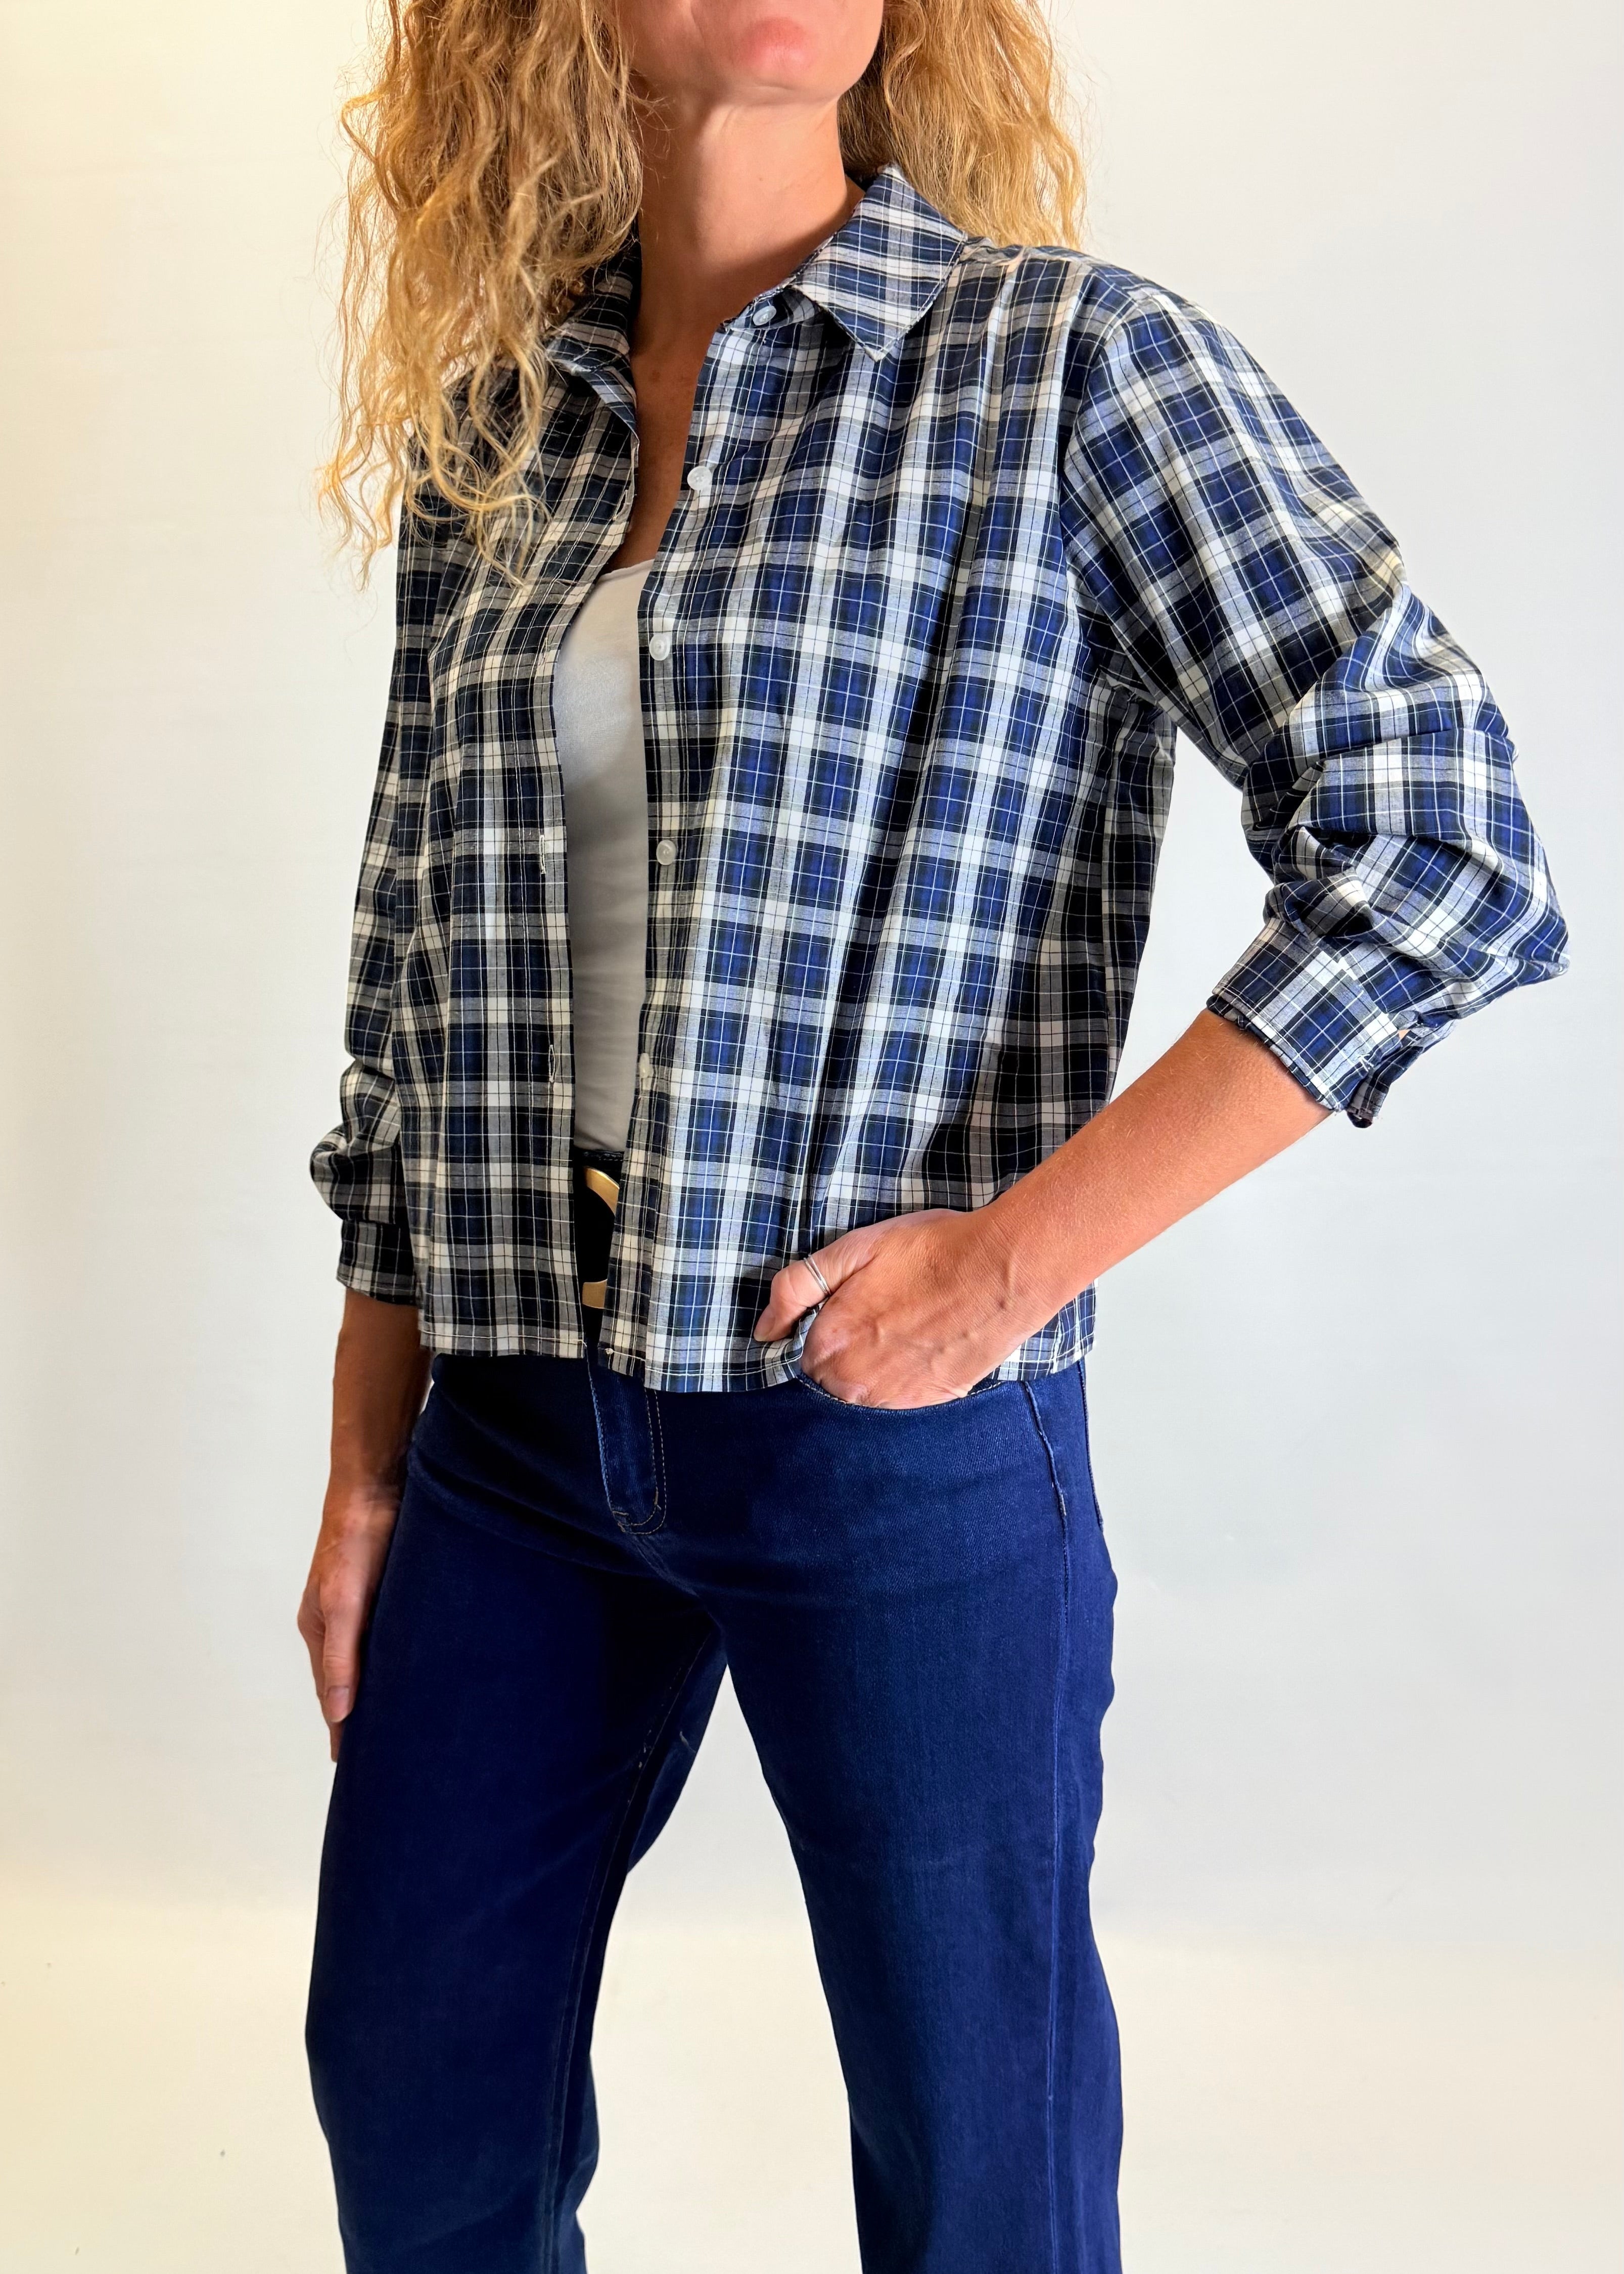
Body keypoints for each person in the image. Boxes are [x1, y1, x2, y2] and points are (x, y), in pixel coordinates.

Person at [298, 3, 1567, 2268]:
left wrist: (1012, 1264)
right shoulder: (493, 442)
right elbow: (413, 963)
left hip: (883, 1429)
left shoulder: (1068, 369)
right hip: (505, 1431)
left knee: (981, 2177)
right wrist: (367, 1462)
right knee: (411, 2103)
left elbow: (1442, 846)